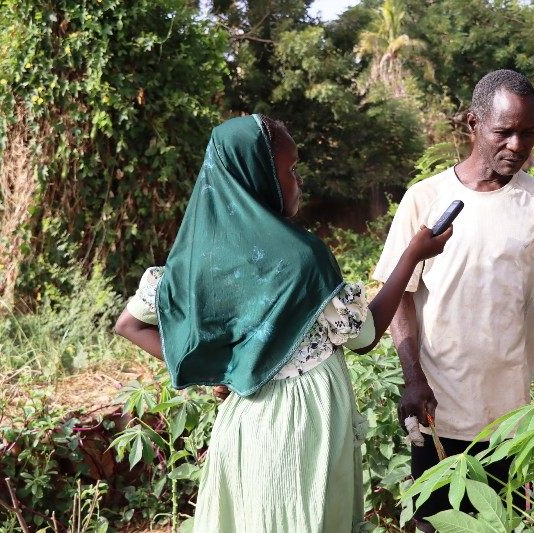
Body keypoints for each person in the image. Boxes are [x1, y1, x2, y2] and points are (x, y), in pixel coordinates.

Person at [114, 114, 453, 532]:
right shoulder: (302, 260)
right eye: (290, 170)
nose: (299, 180)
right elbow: (363, 335)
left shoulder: (196, 264)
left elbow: (129, 323)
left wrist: (222, 371)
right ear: (256, 176)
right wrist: (411, 257)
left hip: (244, 427)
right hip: (304, 426)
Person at [372, 70, 534, 530]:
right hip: (435, 408)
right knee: (433, 524)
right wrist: (412, 377)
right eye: (504, 132)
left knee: (504, 522)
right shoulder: (425, 199)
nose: (518, 145)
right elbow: (400, 295)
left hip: (511, 419)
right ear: (473, 124)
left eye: (528, 133)